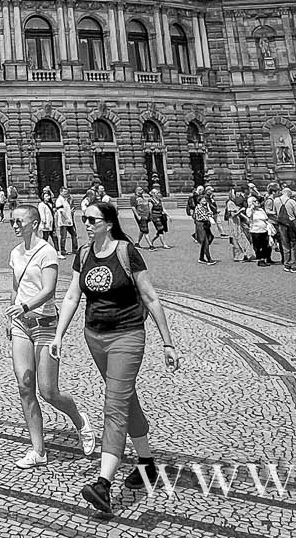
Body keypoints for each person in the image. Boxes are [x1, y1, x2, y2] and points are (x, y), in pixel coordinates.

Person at [51, 198, 182, 518]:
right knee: (126, 399)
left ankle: (103, 484)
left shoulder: (126, 251)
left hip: (128, 336)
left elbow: (150, 297)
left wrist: (168, 343)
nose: (86, 224)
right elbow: (71, 296)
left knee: (114, 404)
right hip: (95, 337)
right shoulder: (83, 254)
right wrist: (58, 335)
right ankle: (148, 463)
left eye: (92, 220)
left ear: (108, 223)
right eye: (84, 219)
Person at [8, 202, 94, 469]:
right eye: (12, 221)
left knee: (48, 391)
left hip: (45, 323)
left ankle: (80, 420)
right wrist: (12, 314)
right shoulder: (15, 252)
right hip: (21, 325)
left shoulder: (47, 252)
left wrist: (24, 305)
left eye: (19, 221)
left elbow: (48, 290)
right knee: (25, 386)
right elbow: (15, 286)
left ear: (34, 223)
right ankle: (38, 450)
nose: (14, 225)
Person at [192, 191, 217, 264]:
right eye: (203, 200)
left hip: (205, 225)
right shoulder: (199, 208)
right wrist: (210, 217)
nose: (204, 201)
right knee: (205, 241)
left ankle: (201, 257)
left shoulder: (205, 207)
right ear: (199, 201)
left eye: (205, 200)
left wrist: (209, 208)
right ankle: (209, 259)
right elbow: (205, 217)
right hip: (201, 225)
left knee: (210, 238)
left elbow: (210, 214)